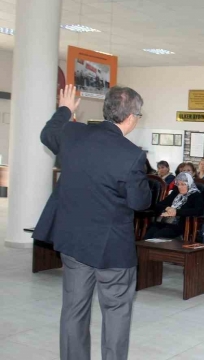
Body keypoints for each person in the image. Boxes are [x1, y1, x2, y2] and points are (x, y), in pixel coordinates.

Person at [33, 85, 151, 360]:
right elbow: (139, 203)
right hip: (113, 250)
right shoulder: (132, 154)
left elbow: (47, 133)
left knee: (74, 310)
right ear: (132, 116)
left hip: (73, 242)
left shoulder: (73, 134)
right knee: (116, 312)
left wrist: (65, 109)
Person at [143, 172, 204, 240]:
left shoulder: (196, 195)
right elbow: (158, 205)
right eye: (178, 184)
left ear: (189, 184)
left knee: (158, 235)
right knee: (150, 233)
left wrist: (176, 212)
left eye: (183, 184)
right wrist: (168, 208)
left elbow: (198, 211)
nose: (180, 187)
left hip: (181, 224)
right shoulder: (175, 193)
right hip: (165, 221)